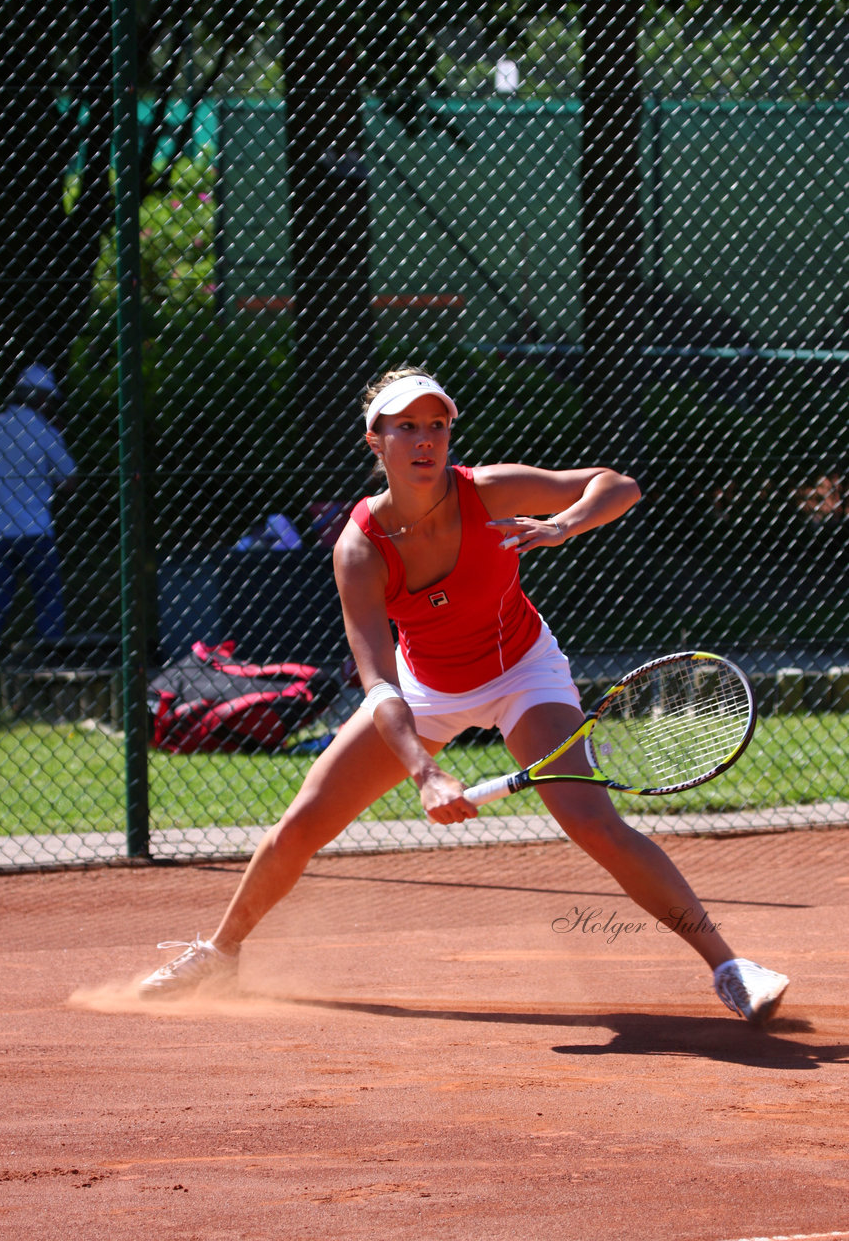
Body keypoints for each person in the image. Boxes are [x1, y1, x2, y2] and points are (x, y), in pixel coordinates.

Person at [139, 366, 789, 1024]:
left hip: (523, 676)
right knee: (303, 823)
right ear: (376, 441)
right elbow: (378, 685)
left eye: (437, 426)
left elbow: (617, 485)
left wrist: (562, 525)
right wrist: (424, 772)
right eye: (407, 428)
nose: (425, 441)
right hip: (422, 690)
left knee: (594, 824)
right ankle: (220, 954)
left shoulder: (489, 491)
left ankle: (731, 968)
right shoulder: (360, 547)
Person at [0, 364, 76, 655]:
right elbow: (68, 480)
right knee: (47, 596)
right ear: (43, 399)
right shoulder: (45, 432)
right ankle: (51, 656)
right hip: (36, 527)